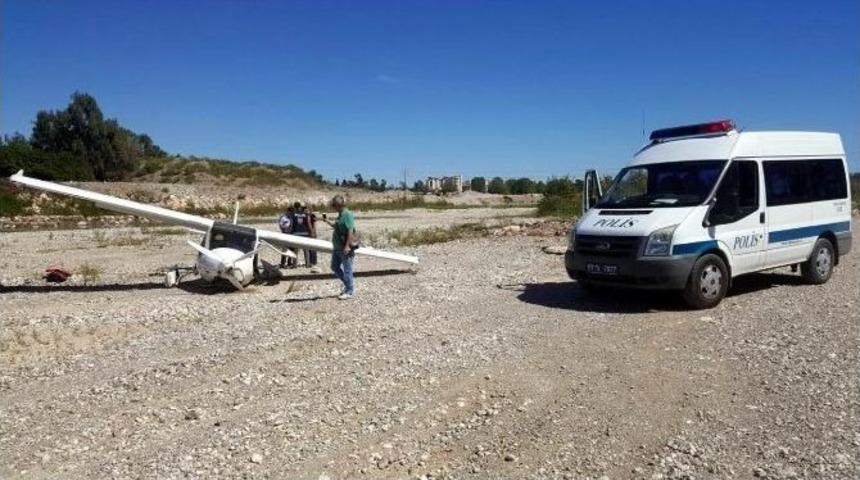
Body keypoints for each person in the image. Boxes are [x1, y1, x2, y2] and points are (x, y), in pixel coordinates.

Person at [324, 195, 356, 299]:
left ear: (338, 205)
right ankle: (348, 285)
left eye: (333, 205)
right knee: (334, 267)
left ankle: (349, 291)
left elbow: (350, 231)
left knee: (347, 269)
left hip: (343, 247)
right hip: (337, 247)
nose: (333, 207)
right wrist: (327, 221)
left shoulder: (347, 215)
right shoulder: (340, 215)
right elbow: (336, 227)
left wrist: (347, 246)